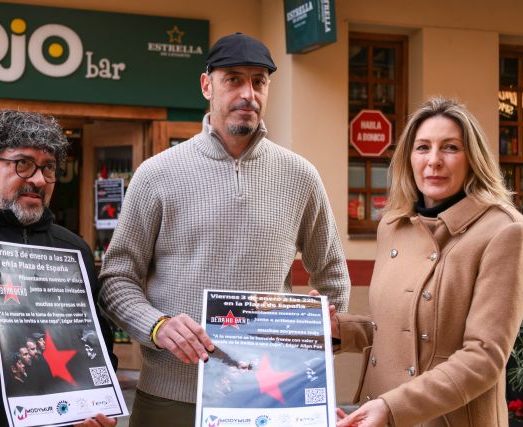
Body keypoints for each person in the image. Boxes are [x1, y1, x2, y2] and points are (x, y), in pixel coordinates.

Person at [99, 32, 350, 426]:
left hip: (269, 396)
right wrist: (158, 326)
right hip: (171, 398)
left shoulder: (301, 176)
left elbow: (333, 275)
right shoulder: (156, 174)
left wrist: (317, 346)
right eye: (233, 79)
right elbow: (116, 279)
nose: (248, 93)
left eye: (259, 81)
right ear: (206, 85)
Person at [330, 98, 523, 426]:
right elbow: (396, 328)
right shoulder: (393, 224)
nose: (434, 161)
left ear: (472, 158)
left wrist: (392, 407)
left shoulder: (505, 232)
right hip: (376, 413)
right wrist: (339, 330)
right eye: (423, 147)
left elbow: (483, 358)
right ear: (408, 158)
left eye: (450, 148)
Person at [0, 110, 118, 427]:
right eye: (23, 164)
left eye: (49, 167)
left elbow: (97, 344)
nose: (39, 180)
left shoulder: (73, 249)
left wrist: (98, 408)